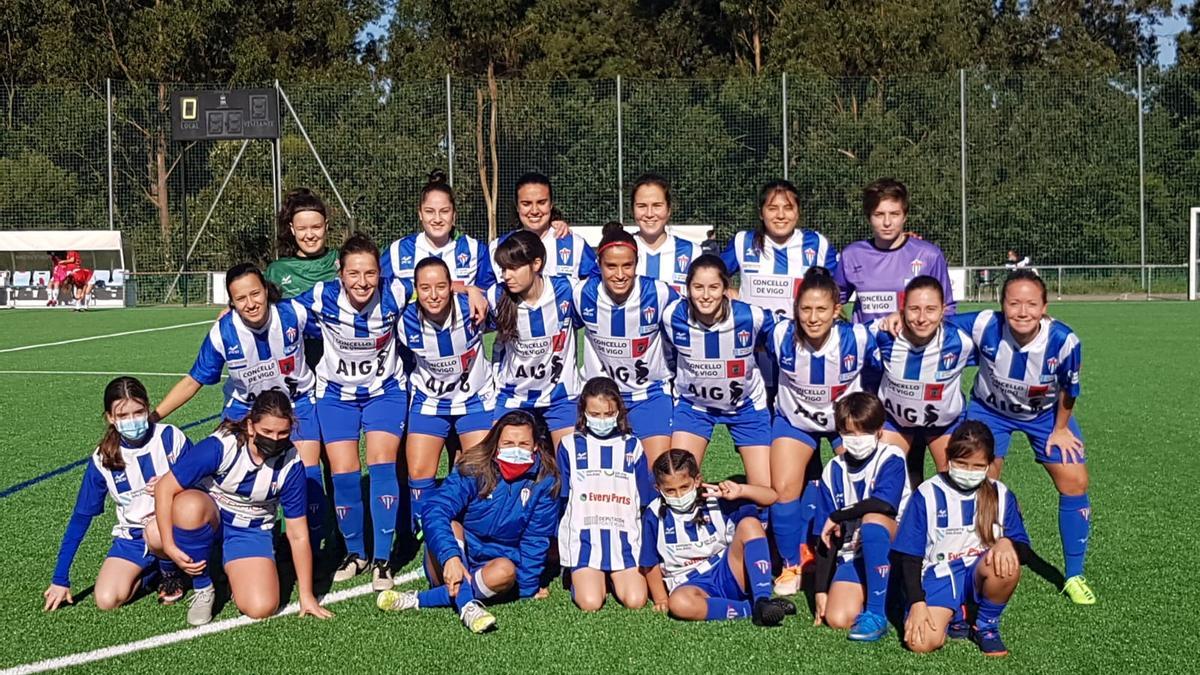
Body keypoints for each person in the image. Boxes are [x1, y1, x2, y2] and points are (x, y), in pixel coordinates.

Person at [154, 263, 326, 551]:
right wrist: (155, 415)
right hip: (244, 411)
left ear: (267, 291)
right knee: (225, 478)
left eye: (255, 294)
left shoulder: (293, 313)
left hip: (297, 405)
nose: (251, 303)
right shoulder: (223, 332)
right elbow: (194, 380)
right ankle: (238, 539)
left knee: (308, 475)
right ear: (231, 303)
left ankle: (315, 545)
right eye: (241, 298)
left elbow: (334, 323)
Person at [948, 269, 1093, 604]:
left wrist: (1059, 429)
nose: (1022, 311)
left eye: (1031, 304)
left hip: (1045, 417)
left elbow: (1070, 391)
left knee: (1075, 480)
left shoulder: (1064, 341)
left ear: (1045, 307)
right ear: (1002, 305)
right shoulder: (985, 324)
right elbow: (939, 324)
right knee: (977, 481)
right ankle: (973, 558)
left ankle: (1074, 575)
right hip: (989, 411)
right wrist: (898, 318)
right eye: (1014, 303)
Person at [153, 391, 331, 626]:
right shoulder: (222, 446)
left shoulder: (291, 465)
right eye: (267, 432)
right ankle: (203, 586)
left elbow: (298, 534)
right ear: (250, 426)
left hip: (250, 530)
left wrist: (306, 595)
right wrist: (168, 543)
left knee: (261, 607)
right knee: (175, 517)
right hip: (211, 516)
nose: (275, 439)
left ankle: (231, 568)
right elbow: (165, 488)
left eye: (283, 433)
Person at [376, 411, 560, 633]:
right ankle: (467, 606)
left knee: (506, 570)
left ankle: (418, 599)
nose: (516, 449)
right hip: (453, 559)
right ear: (496, 444)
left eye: (523, 444)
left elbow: (535, 538)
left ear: (535, 448)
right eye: (508, 443)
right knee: (452, 525)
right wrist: (451, 557)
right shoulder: (474, 465)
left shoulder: (546, 480)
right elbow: (435, 510)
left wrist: (527, 589)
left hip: (494, 566)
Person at [765, 267, 877, 596]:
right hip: (795, 421)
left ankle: (853, 557)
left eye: (821, 309)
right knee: (783, 489)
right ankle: (791, 564)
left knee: (859, 489)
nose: (813, 318)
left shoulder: (856, 337)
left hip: (845, 424)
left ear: (836, 310)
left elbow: (896, 337)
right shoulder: (779, 334)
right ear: (795, 308)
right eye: (806, 309)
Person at [44, 377, 192, 612]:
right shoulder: (103, 458)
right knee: (107, 599)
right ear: (110, 418)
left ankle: (172, 573)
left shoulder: (170, 438)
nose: (132, 421)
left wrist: (171, 486)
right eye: (123, 416)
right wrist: (60, 578)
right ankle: (153, 572)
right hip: (133, 537)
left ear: (148, 408)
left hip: (176, 529)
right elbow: (81, 517)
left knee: (155, 530)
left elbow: (204, 489)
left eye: (138, 412)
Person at [894, 421, 1030, 657]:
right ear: (948, 458)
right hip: (939, 574)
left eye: (977, 466)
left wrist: (1008, 542)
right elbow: (910, 556)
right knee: (921, 643)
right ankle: (959, 613)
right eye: (961, 464)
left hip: (979, 569)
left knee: (1008, 561)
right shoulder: (927, 494)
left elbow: (1024, 550)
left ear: (989, 464)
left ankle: (985, 626)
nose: (968, 471)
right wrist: (917, 602)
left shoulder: (1000, 494)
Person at [397, 257, 496, 534]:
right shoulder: (404, 320)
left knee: (479, 471)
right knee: (418, 473)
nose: (433, 294)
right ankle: (426, 527)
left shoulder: (472, 309)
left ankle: (471, 522)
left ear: (451, 287)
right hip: (429, 402)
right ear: (416, 289)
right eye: (425, 288)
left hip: (475, 400)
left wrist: (472, 290)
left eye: (441, 286)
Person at [640, 450, 793, 625]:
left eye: (684, 487)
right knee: (679, 604)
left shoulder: (716, 496)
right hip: (691, 583)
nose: (679, 496)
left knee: (750, 524)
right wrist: (661, 599)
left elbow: (772, 497)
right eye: (670, 491)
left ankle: (762, 598)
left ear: (697, 480)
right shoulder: (653, 514)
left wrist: (741, 490)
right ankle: (753, 608)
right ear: (658, 489)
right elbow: (649, 562)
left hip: (727, 569)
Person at [662, 255, 776, 489]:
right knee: (678, 480)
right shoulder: (672, 316)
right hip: (694, 407)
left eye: (714, 287)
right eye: (698, 287)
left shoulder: (749, 316)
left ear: (726, 288)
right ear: (687, 289)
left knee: (764, 490)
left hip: (746, 407)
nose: (705, 295)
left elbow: (786, 335)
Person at [721, 180, 838, 399]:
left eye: (788, 208)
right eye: (772, 208)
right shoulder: (743, 242)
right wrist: (727, 292)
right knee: (761, 420)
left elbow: (838, 289)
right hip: (754, 351)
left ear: (798, 211)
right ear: (761, 212)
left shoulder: (817, 244)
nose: (780, 215)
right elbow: (711, 276)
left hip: (800, 349)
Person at [575, 223, 679, 463]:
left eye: (627, 265)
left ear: (636, 263)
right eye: (611, 266)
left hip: (650, 395)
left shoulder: (659, 293)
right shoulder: (582, 294)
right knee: (597, 473)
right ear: (598, 265)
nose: (620, 274)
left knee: (658, 474)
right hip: (601, 400)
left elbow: (692, 318)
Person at [811, 393, 909, 642]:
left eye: (864, 432)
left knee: (873, 521)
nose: (856, 440)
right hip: (853, 554)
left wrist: (839, 514)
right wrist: (820, 591)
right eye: (849, 433)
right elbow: (825, 536)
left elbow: (884, 504)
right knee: (838, 618)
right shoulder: (833, 469)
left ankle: (876, 613)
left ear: (879, 430)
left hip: (896, 546)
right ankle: (885, 595)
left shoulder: (892, 456)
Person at [556, 377, 654, 611]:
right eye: (595, 414)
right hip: (585, 540)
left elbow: (645, 498)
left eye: (608, 414)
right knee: (590, 603)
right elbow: (562, 498)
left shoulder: (632, 445)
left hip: (625, 541)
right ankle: (581, 575)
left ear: (619, 411)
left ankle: (611, 576)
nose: (602, 420)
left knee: (636, 600)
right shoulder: (569, 445)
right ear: (583, 411)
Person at [869, 276, 974, 487]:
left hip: (945, 424)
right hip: (895, 423)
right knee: (880, 482)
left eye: (931, 309)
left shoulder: (962, 338)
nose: (922, 318)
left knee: (958, 483)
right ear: (902, 308)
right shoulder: (883, 334)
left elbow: (1009, 323)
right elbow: (839, 336)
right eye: (914, 309)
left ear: (943, 310)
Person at [488, 230, 581, 449]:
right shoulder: (496, 296)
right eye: (503, 269)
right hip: (513, 397)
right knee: (500, 464)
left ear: (536, 263)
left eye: (513, 268)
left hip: (561, 397)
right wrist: (470, 290)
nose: (506, 275)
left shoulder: (567, 289)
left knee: (571, 463)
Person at [834, 178, 956, 323]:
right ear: (868, 217)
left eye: (894, 214)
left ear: (905, 216)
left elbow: (947, 308)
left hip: (913, 345)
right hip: (868, 345)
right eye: (879, 214)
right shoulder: (852, 255)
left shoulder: (929, 255)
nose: (887, 222)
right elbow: (831, 303)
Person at [381, 169, 495, 289]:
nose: (437, 219)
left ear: (454, 214)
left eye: (444, 211)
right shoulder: (399, 250)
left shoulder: (474, 250)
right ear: (420, 213)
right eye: (429, 211)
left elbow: (489, 294)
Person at [488, 172, 596, 280]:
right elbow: (483, 291)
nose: (534, 210)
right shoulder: (496, 247)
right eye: (526, 204)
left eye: (541, 202)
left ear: (551, 204)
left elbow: (596, 285)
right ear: (517, 206)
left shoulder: (575, 245)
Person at [265, 188, 340, 300]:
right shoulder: (277, 271)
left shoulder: (343, 259)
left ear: (326, 226)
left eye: (316, 227)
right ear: (292, 229)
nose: (309, 235)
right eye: (302, 229)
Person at [629, 173, 696, 291]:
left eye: (657, 206)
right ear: (632, 209)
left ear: (669, 209)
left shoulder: (692, 252)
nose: (649, 214)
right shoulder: (619, 250)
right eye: (642, 206)